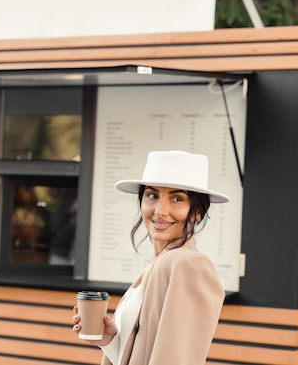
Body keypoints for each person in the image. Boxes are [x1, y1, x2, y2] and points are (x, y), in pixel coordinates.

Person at [71, 150, 229, 365]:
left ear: (197, 212)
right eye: (153, 196)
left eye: (177, 198)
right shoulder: (162, 263)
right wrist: (109, 339)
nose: (160, 211)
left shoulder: (188, 265)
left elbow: (176, 359)